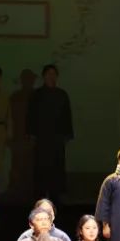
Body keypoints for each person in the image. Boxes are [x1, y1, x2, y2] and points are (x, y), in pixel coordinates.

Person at [25, 64, 73, 201]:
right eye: (49, 74)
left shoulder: (62, 94)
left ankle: (55, 196)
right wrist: (31, 133)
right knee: (41, 166)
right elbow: (31, 115)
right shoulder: (37, 94)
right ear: (44, 76)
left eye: (54, 74)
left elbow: (67, 115)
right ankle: (40, 197)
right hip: (41, 137)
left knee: (57, 167)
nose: (51, 77)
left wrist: (68, 134)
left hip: (57, 138)